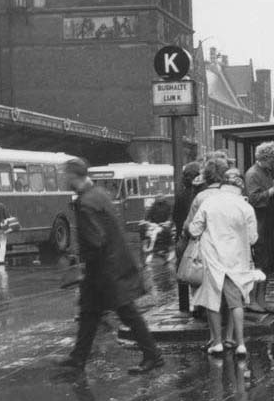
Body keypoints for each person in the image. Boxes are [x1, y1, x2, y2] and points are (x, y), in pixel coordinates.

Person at [57, 157, 163, 374]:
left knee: (126, 312)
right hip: (112, 264)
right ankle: (78, 357)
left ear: (73, 176)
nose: (63, 179)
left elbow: (96, 240)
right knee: (89, 313)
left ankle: (153, 355)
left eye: (65, 175)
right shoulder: (99, 194)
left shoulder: (86, 203)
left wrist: (84, 264)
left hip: (105, 270)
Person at [188, 159, 258, 357]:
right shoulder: (245, 206)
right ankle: (241, 344)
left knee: (213, 301)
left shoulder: (210, 201)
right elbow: (253, 238)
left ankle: (217, 343)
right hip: (236, 260)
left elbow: (194, 229)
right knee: (236, 302)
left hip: (212, 258)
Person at [245, 141, 274, 313]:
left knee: (265, 263)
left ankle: (261, 300)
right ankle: (253, 300)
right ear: (266, 157)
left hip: (267, 223)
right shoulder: (253, 174)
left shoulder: (265, 171)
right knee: (260, 263)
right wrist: (273, 188)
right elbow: (254, 199)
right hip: (259, 224)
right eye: (273, 159)